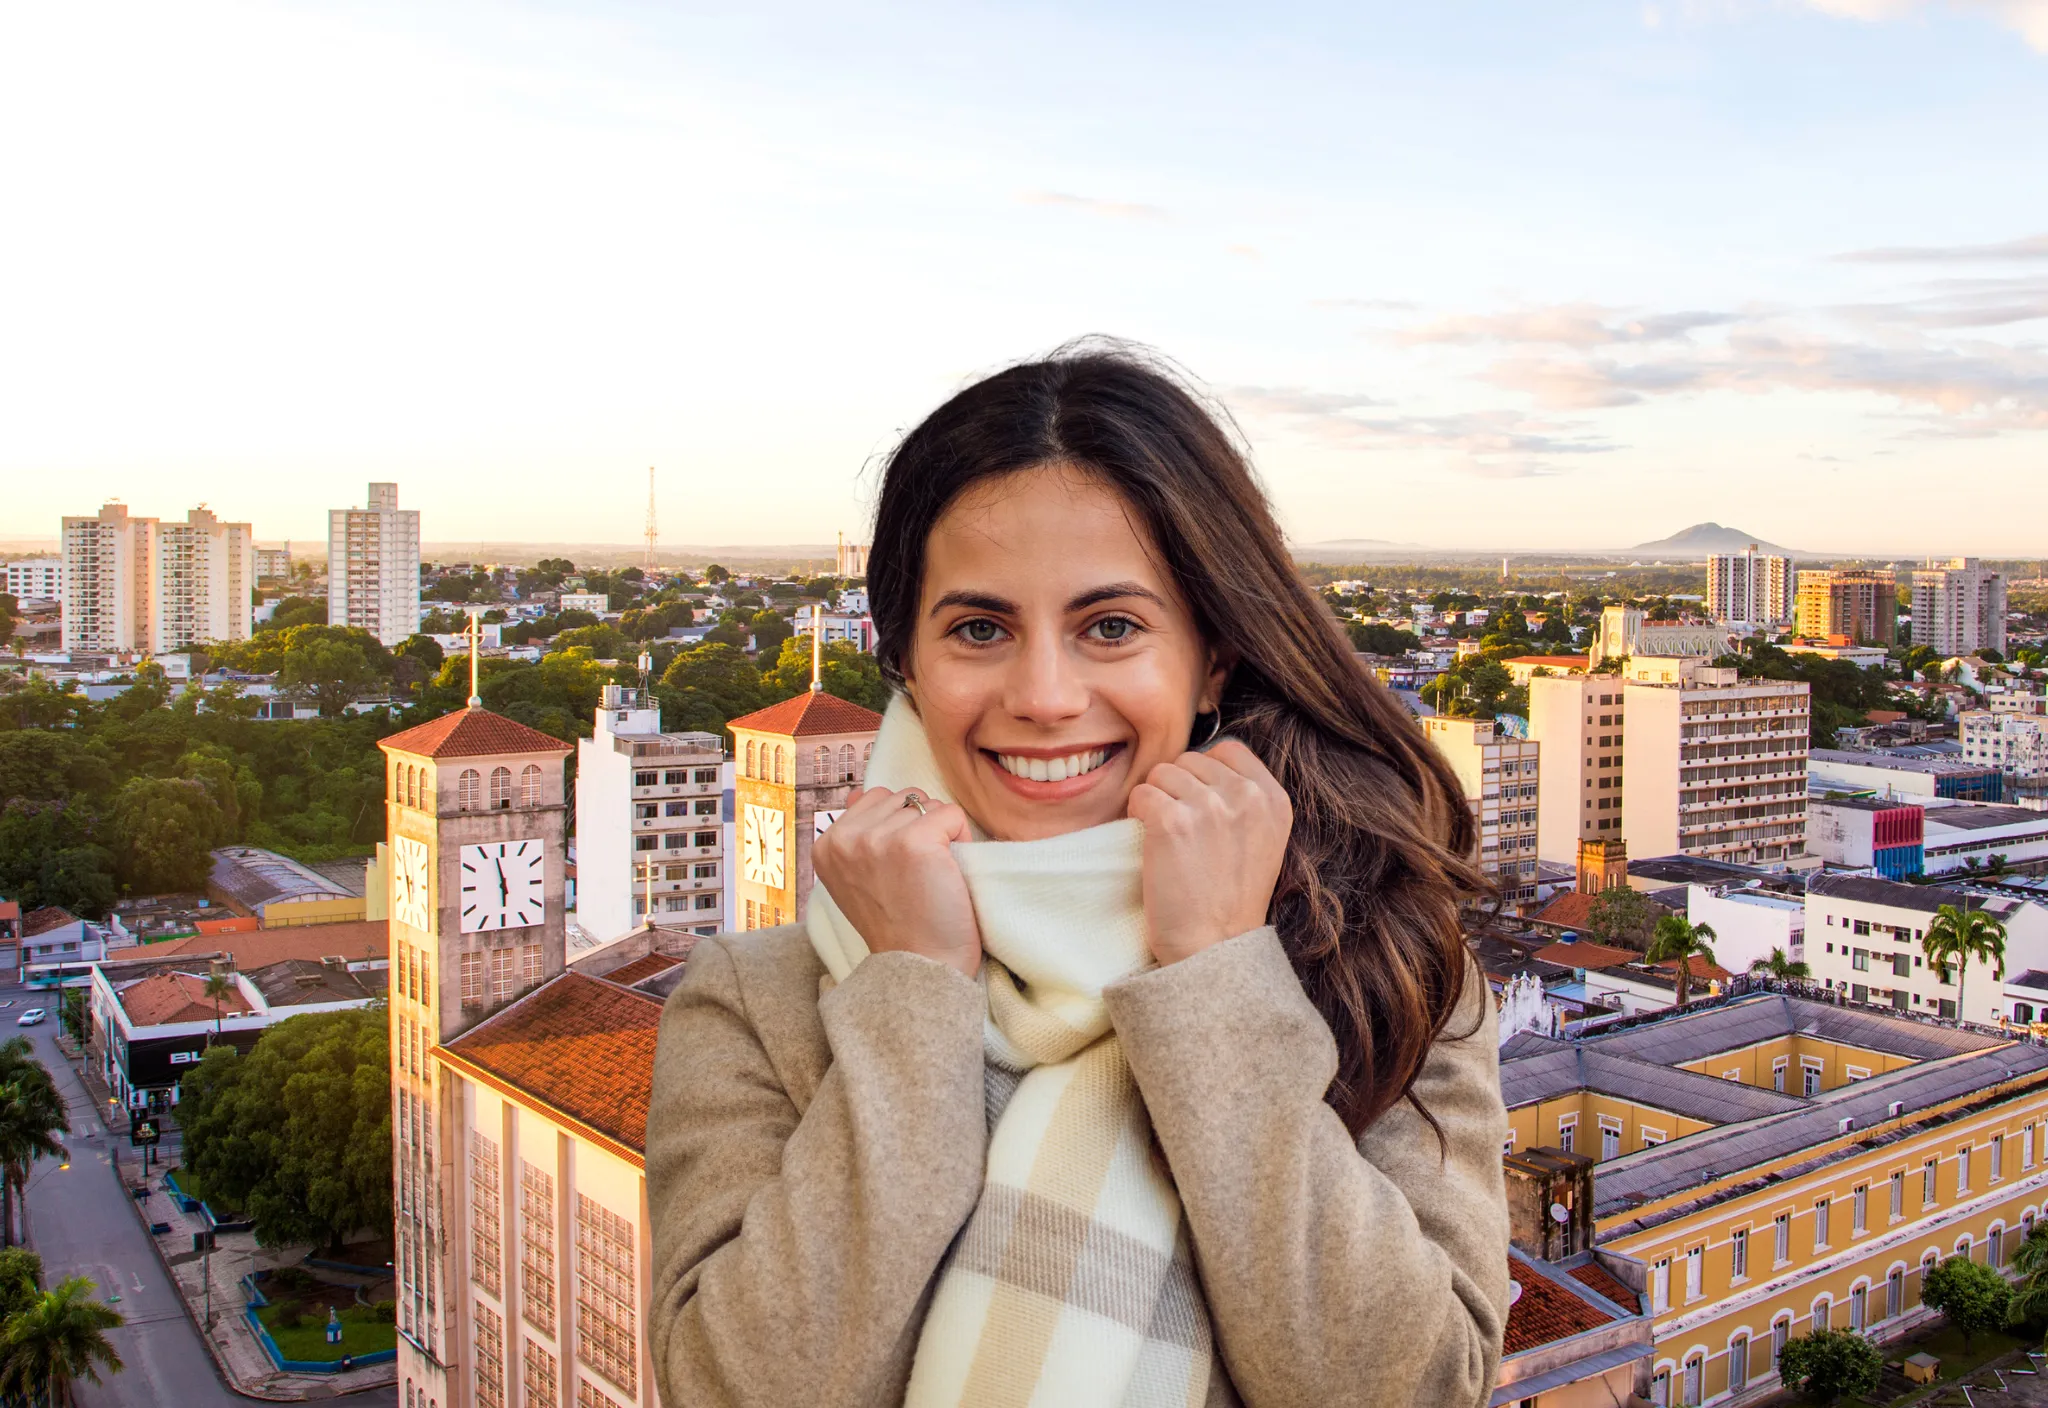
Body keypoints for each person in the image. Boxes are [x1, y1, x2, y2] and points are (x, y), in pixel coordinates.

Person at [647, 342, 1511, 1407]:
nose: (1045, 695)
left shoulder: (1386, 966)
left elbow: (1414, 1388)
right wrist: (913, 988)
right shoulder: (760, 1003)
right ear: (907, 661)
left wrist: (1218, 975)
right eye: (977, 628)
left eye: (1109, 626)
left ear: (1212, 656)